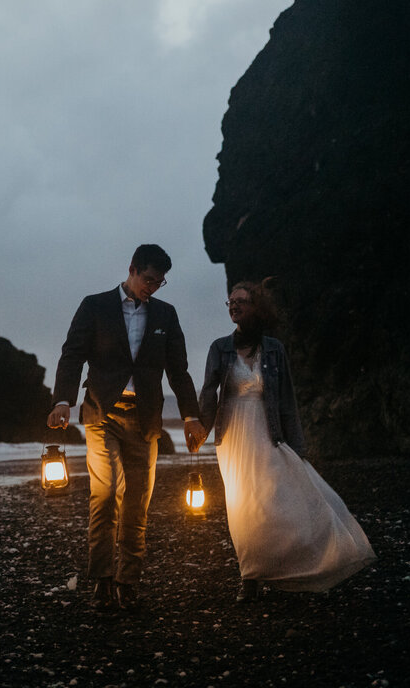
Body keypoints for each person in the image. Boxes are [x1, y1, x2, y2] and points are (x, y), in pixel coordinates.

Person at [184, 280, 375, 601]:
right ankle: (250, 575)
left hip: (267, 432)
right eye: (230, 301)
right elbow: (209, 392)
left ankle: (297, 561)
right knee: (242, 507)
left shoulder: (274, 349)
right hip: (232, 437)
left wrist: (297, 447)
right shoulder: (220, 348)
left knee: (276, 501)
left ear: (255, 307)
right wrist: (200, 430)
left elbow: (287, 401)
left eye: (241, 301)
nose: (233, 306)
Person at [47, 244, 201, 612]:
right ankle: (101, 580)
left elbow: (178, 369)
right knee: (106, 492)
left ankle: (127, 581)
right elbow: (72, 354)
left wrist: (191, 416)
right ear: (132, 269)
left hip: (145, 420)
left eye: (159, 283)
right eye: (148, 279)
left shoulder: (166, 314)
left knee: (138, 501)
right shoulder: (95, 305)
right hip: (103, 414)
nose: (153, 287)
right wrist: (62, 400)